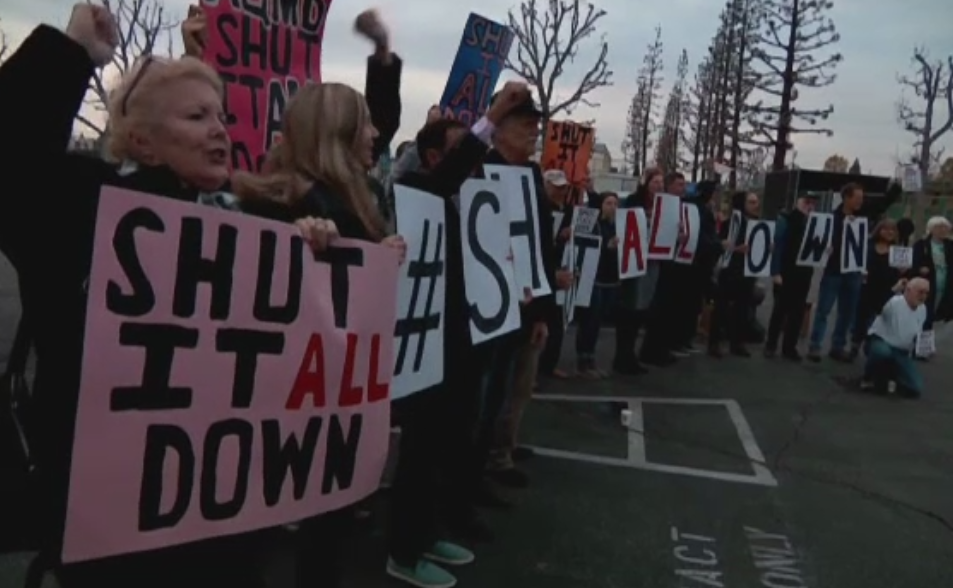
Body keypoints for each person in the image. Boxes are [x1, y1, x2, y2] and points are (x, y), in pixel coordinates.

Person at [0, 6, 335, 587]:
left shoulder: (247, 228)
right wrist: (71, 53)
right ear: (143, 143)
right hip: (110, 527)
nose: (220, 129)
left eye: (221, 115)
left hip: (218, 519)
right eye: (196, 116)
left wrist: (309, 248)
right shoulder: (84, 209)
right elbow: (11, 154)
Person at [234, 80, 407, 588]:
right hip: (288, 401)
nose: (374, 135)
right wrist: (294, 247)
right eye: (365, 124)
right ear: (338, 132)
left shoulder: (348, 200)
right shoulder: (284, 204)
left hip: (325, 397)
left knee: (325, 531)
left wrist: (378, 259)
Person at [383, 83, 531, 586]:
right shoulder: (418, 189)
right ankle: (403, 551)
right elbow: (449, 174)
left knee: (444, 445)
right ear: (432, 158)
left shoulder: (464, 201)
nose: (475, 158)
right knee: (419, 451)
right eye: (461, 148)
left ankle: (427, 533)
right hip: (422, 345)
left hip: (458, 342)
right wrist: (493, 116)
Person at [484, 91, 564, 491]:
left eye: (536, 124)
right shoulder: (481, 169)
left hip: (528, 304)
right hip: (490, 307)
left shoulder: (532, 175)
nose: (534, 132)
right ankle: (484, 460)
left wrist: (543, 312)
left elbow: (538, 245)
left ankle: (503, 448)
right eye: (525, 124)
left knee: (518, 386)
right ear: (498, 129)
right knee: (489, 391)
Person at [807, 181, 901, 362]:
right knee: (824, 310)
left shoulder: (863, 216)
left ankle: (838, 346)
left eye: (862, 198)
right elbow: (817, 240)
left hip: (853, 272)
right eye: (857, 198)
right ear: (845, 198)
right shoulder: (832, 218)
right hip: (833, 270)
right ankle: (815, 346)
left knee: (847, 312)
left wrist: (896, 187)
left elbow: (883, 204)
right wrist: (827, 246)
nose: (860, 201)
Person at [613, 169, 665, 374]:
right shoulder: (634, 202)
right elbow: (626, 225)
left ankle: (629, 355)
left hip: (653, 262)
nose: (659, 186)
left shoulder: (664, 206)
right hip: (634, 262)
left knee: (642, 309)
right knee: (630, 309)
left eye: (661, 182)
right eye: (655, 181)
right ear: (646, 183)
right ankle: (623, 356)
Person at [764, 194, 820, 360]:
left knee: (797, 312)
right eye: (806, 202)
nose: (809, 206)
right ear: (798, 202)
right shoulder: (786, 220)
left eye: (812, 203)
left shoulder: (814, 223)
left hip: (804, 273)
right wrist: (775, 272)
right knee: (780, 310)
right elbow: (778, 246)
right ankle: (771, 345)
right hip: (786, 271)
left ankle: (789, 347)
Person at [575, 192, 620, 376]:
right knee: (590, 320)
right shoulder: (594, 224)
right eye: (608, 203)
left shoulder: (617, 225)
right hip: (593, 277)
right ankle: (583, 359)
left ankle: (590, 357)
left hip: (610, 278)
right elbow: (584, 246)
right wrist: (606, 247)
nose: (612, 207)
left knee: (598, 320)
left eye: (615, 204)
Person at [709, 192, 758, 358]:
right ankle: (714, 343)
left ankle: (737, 343)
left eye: (756, 202)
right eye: (751, 202)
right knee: (721, 307)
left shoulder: (756, 223)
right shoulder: (729, 223)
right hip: (730, 271)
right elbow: (720, 245)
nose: (755, 205)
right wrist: (736, 249)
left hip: (748, 271)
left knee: (743, 308)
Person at [861, 277, 929, 398]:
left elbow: (917, 334)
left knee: (916, 387)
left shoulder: (923, 309)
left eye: (926, 293)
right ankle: (868, 377)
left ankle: (890, 376)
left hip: (901, 352)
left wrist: (923, 348)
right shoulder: (894, 302)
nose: (923, 296)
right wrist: (894, 289)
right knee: (882, 352)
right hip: (881, 342)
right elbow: (876, 305)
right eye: (920, 292)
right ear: (908, 290)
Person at [537, 169, 574, 381]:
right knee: (540, 323)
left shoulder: (567, 209)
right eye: (557, 187)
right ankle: (535, 370)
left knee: (556, 324)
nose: (561, 191)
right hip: (545, 272)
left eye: (564, 188)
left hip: (558, 270)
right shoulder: (540, 208)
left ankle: (549, 365)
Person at [850, 219, 905, 357]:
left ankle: (871, 348)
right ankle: (855, 346)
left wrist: (903, 271)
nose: (889, 232)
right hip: (866, 287)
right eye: (885, 229)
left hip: (887, 290)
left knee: (877, 321)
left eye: (892, 230)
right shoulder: (868, 245)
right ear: (879, 230)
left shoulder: (898, 250)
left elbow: (903, 273)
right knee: (860, 318)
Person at [910, 216, 953, 334]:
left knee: (939, 314)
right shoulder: (921, 244)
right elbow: (913, 263)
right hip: (927, 285)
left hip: (946, 285)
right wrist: (920, 269)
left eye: (945, 227)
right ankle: (922, 339)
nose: (943, 230)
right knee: (925, 314)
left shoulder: (950, 245)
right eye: (939, 227)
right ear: (931, 229)